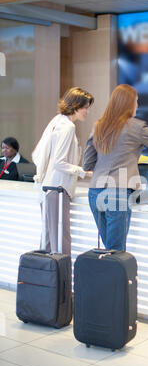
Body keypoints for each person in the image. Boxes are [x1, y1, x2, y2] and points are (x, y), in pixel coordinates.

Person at [83, 83, 148, 251]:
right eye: (136, 101)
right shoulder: (137, 127)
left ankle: (108, 275)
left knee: (109, 248)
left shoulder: (98, 126)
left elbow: (87, 162)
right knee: (116, 250)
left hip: (94, 192)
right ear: (129, 104)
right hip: (117, 192)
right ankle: (116, 277)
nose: (137, 105)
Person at [32, 87, 94, 256]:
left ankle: (48, 280)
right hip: (58, 190)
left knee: (49, 241)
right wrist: (83, 172)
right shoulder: (67, 127)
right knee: (60, 241)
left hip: (50, 188)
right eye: (85, 107)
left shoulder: (58, 121)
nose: (87, 112)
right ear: (76, 106)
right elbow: (59, 162)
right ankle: (62, 281)